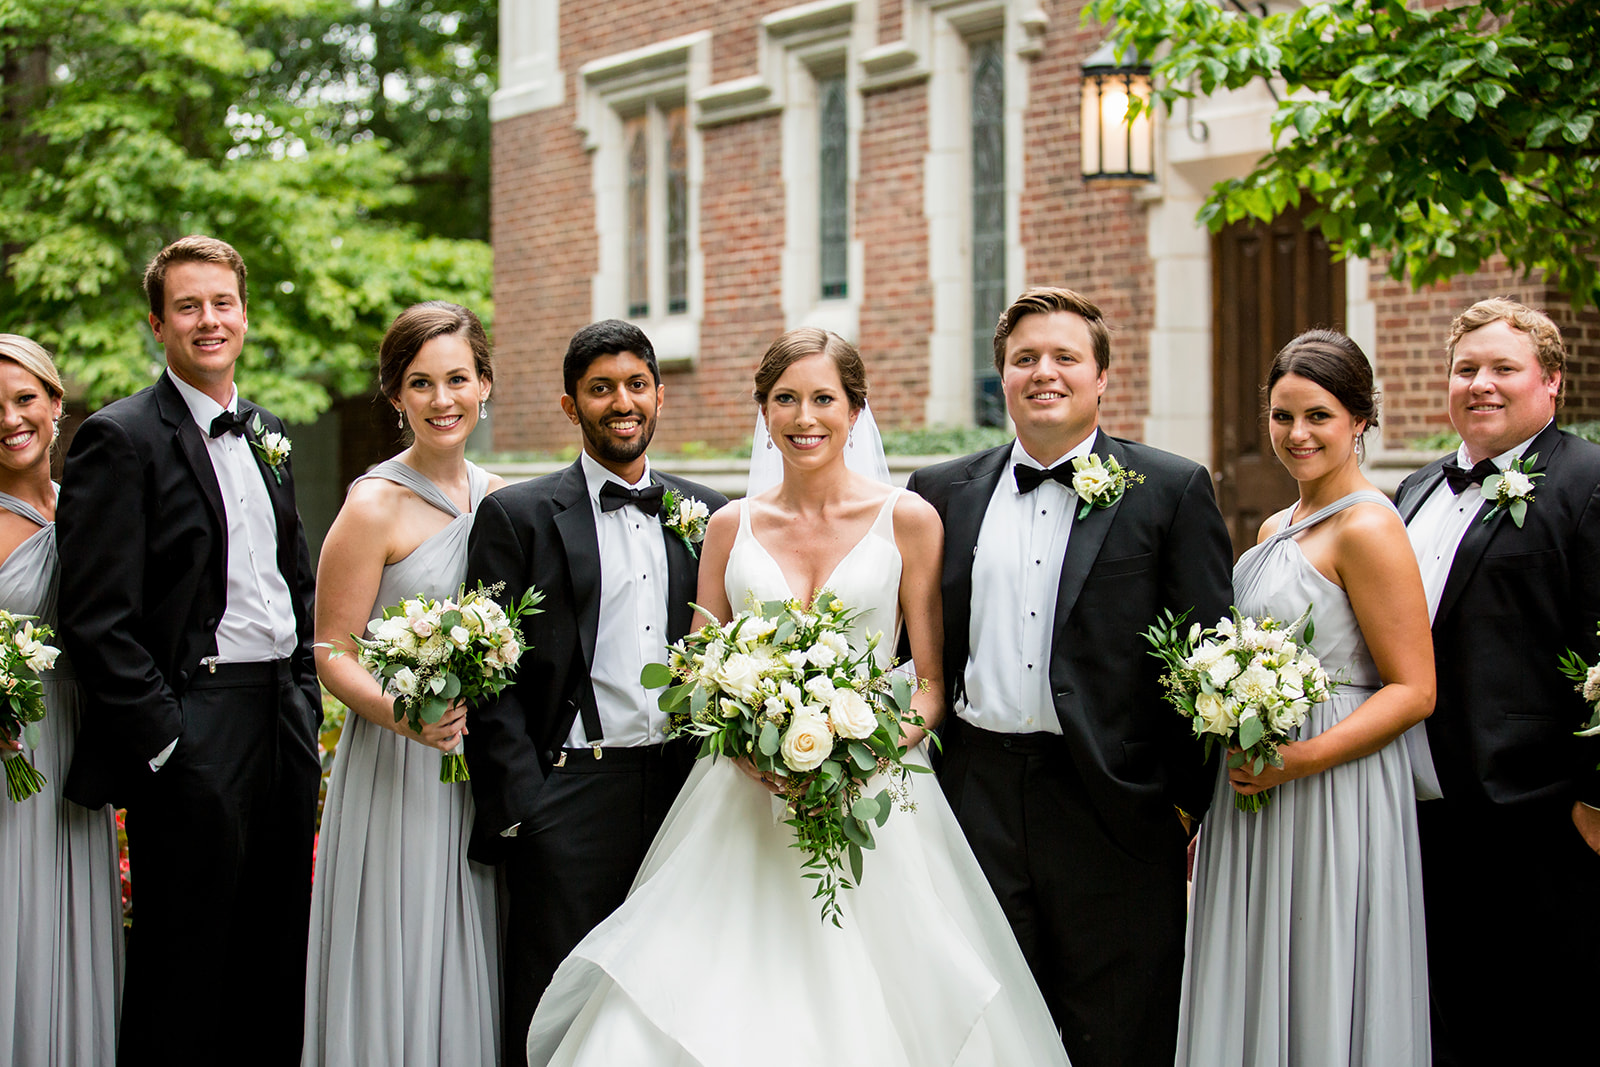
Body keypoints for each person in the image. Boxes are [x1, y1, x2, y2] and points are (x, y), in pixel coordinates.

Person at [524, 326, 1071, 1066]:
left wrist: (859, 754)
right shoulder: (728, 526)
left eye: (823, 398)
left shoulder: (908, 519)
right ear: (764, 411)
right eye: (786, 399)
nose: (804, 417)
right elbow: (696, 673)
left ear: (855, 410)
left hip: (874, 794)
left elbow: (933, 683)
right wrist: (752, 747)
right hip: (742, 798)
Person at [906, 287, 1233, 1067]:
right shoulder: (939, 493)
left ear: (1101, 377)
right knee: (985, 1027)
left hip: (1112, 806)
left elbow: (1208, 660)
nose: (1043, 372)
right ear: (1003, 376)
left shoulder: (1172, 488)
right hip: (975, 795)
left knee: (1120, 1030)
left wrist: (1180, 805)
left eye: (1064, 357)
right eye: (1025, 359)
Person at [57, 235, 323, 1063]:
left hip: (279, 710)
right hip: (194, 720)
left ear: (243, 314)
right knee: (186, 956)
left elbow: (294, 578)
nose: (208, 320)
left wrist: (306, 693)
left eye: (222, 303)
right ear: (157, 323)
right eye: (187, 306)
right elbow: (96, 615)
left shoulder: (269, 432)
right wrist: (170, 739)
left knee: (277, 944)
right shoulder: (119, 437)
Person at [464, 319, 728, 1064]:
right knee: (556, 998)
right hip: (570, 792)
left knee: (673, 994)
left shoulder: (708, 514)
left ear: (659, 394)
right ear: (569, 404)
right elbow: (490, 676)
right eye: (601, 388)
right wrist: (527, 807)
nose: (622, 402)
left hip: (685, 795)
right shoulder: (517, 515)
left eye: (635, 385)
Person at [1177, 330, 1435, 1065]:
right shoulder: (1271, 528)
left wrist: (1301, 758)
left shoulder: (1371, 527)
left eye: (1318, 415)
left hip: (1335, 786)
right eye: (1282, 415)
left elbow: (1416, 689)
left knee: (1323, 966)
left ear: (1359, 419)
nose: (1297, 434)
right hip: (1258, 783)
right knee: (1255, 962)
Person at [302, 302, 507, 1065]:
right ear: (395, 396)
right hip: (397, 758)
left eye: (458, 378)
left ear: (485, 383)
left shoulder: (503, 497)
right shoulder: (371, 504)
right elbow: (329, 648)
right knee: (405, 931)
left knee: (471, 932)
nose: (442, 399)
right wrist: (402, 714)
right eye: (420, 383)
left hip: (476, 761)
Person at [1396, 298, 1600, 1065]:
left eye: (1503, 368)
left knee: (1543, 1023)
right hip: (1418, 814)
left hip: (1539, 822)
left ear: (1551, 381)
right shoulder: (1413, 490)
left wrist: (1596, 797)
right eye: (1465, 368)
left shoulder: (1588, 481)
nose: (1480, 383)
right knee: (1445, 1022)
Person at [0, 335, 123, 1065]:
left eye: (24, 399)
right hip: (13, 748)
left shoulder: (89, 505)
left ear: (55, 405)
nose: (11, 419)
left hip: (82, 747)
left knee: (73, 923)